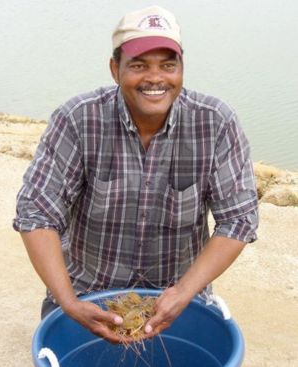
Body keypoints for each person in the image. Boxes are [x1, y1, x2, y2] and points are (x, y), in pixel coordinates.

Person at [13, 5, 258, 344]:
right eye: (139, 65)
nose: (155, 78)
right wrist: (68, 302)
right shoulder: (78, 120)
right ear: (115, 69)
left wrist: (185, 291)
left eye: (168, 65)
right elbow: (36, 213)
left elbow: (239, 220)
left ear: (182, 68)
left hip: (174, 301)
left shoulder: (216, 123)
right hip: (87, 294)